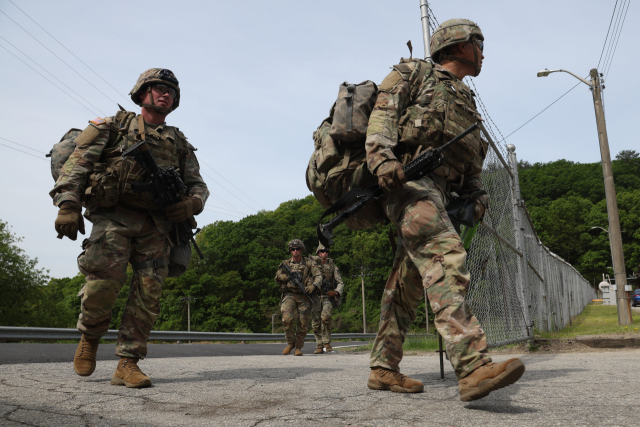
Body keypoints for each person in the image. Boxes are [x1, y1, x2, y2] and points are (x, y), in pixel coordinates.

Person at [364, 19, 524, 401]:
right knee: (445, 255)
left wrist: (478, 196)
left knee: (407, 282)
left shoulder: (467, 102)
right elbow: (383, 115)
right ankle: (472, 367)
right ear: (457, 45)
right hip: (408, 183)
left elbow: (472, 162)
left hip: (444, 196)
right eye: (479, 43)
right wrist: (383, 160)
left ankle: (383, 367)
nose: (484, 52)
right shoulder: (416, 73)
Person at [50, 68, 209, 388]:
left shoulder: (178, 141)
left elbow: (198, 185)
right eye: (159, 88)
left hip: (156, 225)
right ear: (142, 93)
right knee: (103, 284)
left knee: (149, 293)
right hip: (114, 217)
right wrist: (68, 205)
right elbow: (76, 166)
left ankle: (128, 362)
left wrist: (192, 204)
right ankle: (89, 339)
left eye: (171, 92)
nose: (166, 94)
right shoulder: (111, 127)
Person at [275, 239, 322, 356]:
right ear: (290, 251)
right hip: (289, 294)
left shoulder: (309, 263)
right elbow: (277, 278)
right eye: (293, 249)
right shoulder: (285, 264)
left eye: (298, 249)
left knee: (302, 323)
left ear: (302, 250)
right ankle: (290, 343)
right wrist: (287, 277)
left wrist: (313, 286)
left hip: (304, 296)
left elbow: (319, 276)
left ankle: (298, 347)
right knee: (287, 320)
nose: (295, 251)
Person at [310, 244, 344, 354]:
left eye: (326, 251)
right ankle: (319, 345)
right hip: (314, 296)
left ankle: (327, 342)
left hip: (327, 296)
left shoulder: (332, 266)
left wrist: (336, 292)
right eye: (322, 251)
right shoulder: (312, 264)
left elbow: (340, 282)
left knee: (326, 317)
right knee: (315, 321)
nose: (324, 253)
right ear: (318, 253)